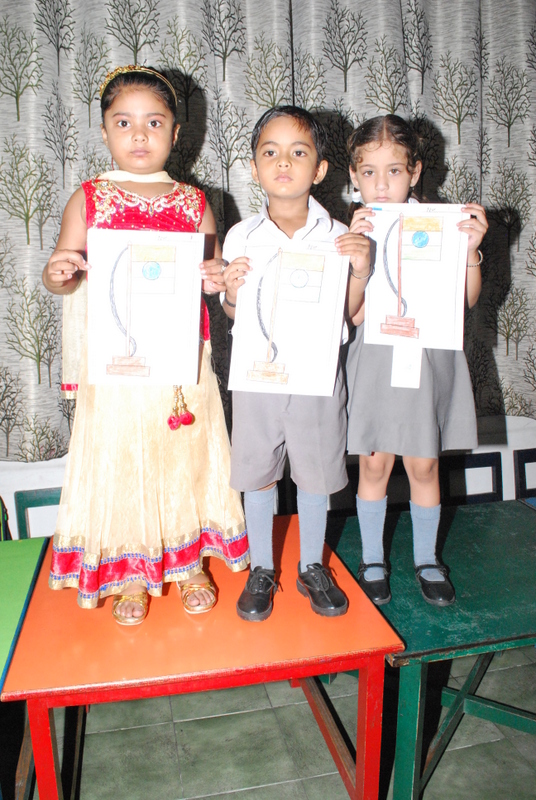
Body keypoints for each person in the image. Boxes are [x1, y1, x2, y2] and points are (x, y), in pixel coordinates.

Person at [43, 65, 249, 625]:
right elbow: (61, 271)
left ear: (176, 133)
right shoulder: (89, 198)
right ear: (104, 130)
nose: (139, 134)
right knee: (125, 459)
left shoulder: (194, 202)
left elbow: (211, 274)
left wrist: (216, 276)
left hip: (182, 361)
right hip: (117, 364)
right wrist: (59, 273)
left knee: (184, 458)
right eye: (124, 122)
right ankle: (131, 573)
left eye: (154, 122)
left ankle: (188, 565)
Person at [222, 106, 371, 621]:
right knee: (258, 472)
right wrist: (230, 290)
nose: (283, 162)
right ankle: (262, 567)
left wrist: (361, 270)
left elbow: (349, 312)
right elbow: (233, 311)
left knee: (313, 473)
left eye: (298, 152)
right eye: (271, 152)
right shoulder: (240, 236)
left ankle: (311, 565)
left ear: (320, 169)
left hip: (315, 377)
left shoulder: (339, 236)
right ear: (254, 166)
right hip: (258, 375)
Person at [345, 114, 488, 607]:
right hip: (377, 358)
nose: (381, 184)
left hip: (427, 358)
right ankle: (372, 559)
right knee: (374, 461)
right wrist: (358, 260)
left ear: (416, 171)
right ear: (354, 175)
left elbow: (463, 302)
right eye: (369, 172)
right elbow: (353, 314)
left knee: (424, 464)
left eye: (394, 171)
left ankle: (427, 559)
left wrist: (470, 250)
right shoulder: (351, 232)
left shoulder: (441, 225)